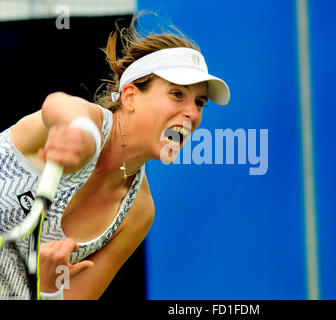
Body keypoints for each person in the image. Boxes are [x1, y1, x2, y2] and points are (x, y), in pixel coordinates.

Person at [0, 20, 230, 299]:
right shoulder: (86, 122)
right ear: (131, 96)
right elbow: (58, 105)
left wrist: (48, 288)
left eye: (199, 103)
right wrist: (83, 136)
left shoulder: (139, 212)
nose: (192, 114)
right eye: (177, 94)